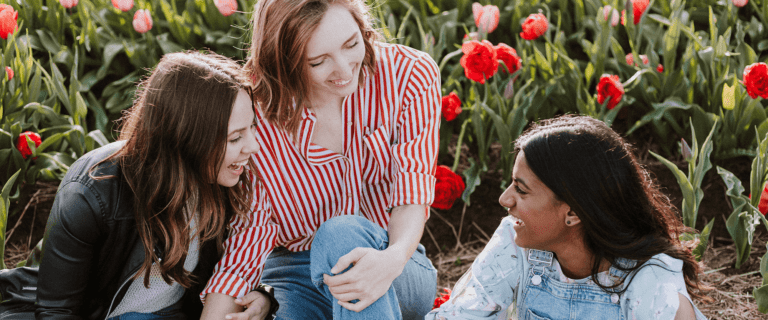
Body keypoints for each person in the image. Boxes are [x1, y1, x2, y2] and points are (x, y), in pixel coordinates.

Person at [200, 0, 441, 319]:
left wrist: (392, 259)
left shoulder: (408, 75)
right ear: (284, 63)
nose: (343, 69)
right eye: (318, 61)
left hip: (394, 261)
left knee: (340, 234)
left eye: (351, 44)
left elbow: (412, 193)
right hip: (295, 277)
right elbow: (249, 238)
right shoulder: (258, 114)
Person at [35, 51, 274, 320]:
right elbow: (56, 310)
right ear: (187, 138)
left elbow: (239, 262)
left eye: (252, 128)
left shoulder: (227, 182)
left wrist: (264, 296)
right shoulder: (91, 192)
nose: (254, 146)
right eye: (235, 138)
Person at [427, 115, 711, 320]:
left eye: (521, 190)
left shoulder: (650, 283)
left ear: (573, 212)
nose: (504, 199)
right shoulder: (515, 243)